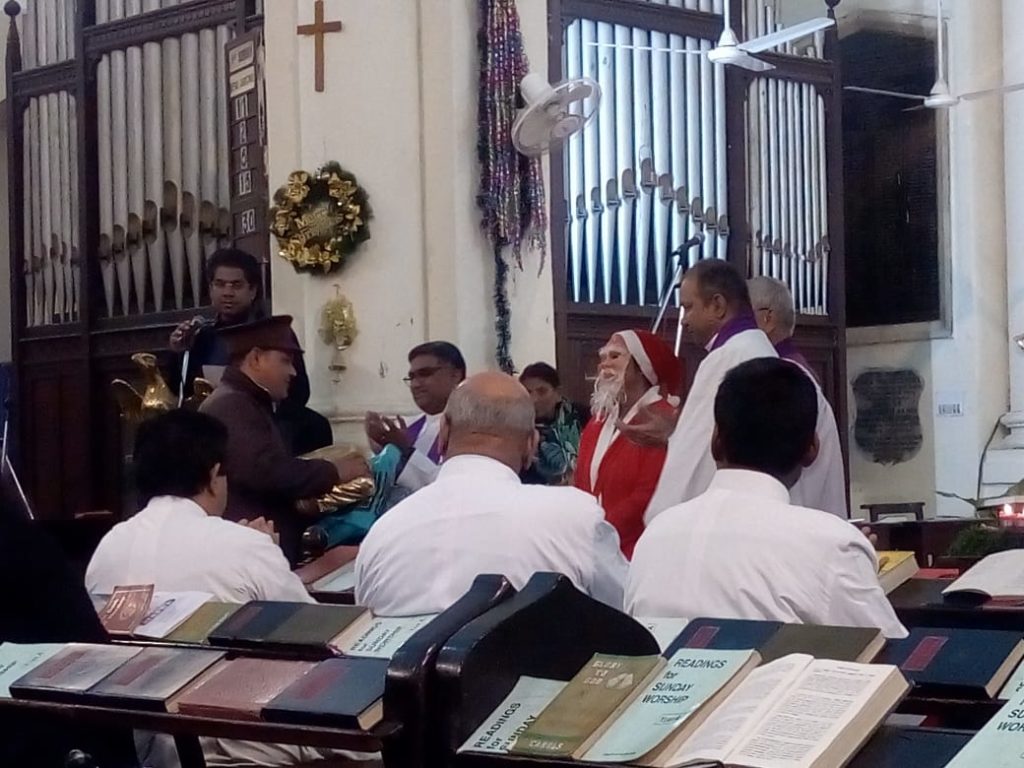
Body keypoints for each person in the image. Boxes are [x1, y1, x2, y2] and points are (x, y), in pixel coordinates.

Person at [86, 409, 372, 768]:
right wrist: (266, 553)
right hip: (222, 735)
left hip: (134, 739)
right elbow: (321, 637)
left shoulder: (109, 545)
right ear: (213, 476)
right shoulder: (242, 544)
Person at [626, 358, 906, 639]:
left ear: (715, 441)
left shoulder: (654, 536)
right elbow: (889, 651)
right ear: (812, 449)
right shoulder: (832, 546)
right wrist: (857, 572)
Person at [355, 372, 628, 616]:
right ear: (531, 444)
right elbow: (631, 613)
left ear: (444, 431)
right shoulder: (576, 518)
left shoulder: (382, 535)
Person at [199, 315, 368, 564]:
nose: (293, 372)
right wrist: (334, 470)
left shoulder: (246, 401)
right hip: (249, 552)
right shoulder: (233, 404)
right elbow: (265, 470)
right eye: (285, 361)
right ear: (256, 358)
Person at [642, 259, 777, 521]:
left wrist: (661, 520)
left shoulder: (726, 359)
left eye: (688, 307)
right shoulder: (762, 351)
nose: (683, 321)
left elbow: (696, 453)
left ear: (717, 305)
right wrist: (673, 434)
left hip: (720, 519)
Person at [168, 247, 332, 456]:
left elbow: (299, 392)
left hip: (266, 420)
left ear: (252, 291)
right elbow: (180, 390)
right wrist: (178, 352)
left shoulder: (275, 333)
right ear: (210, 289)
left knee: (314, 426)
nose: (227, 292)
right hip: (211, 423)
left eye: (236, 285)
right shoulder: (201, 336)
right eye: (220, 284)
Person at [574, 330, 681, 558]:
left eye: (615, 356)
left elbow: (648, 493)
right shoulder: (598, 420)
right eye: (602, 357)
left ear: (642, 367)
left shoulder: (661, 419)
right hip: (591, 546)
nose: (604, 365)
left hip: (636, 550)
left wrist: (602, 532)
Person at [748, 276, 848, 517]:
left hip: (795, 514)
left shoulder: (783, 379)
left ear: (767, 319)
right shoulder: (787, 372)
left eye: (743, 316)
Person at [364, 341, 466, 492]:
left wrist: (404, 451)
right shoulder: (406, 425)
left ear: (455, 375)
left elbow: (450, 487)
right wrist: (382, 453)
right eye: (411, 377)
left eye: (425, 374)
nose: (415, 384)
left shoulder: (472, 427)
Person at [518, 362, 587, 485]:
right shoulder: (516, 426)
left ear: (557, 393)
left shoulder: (583, 416)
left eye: (542, 391)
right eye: (528, 392)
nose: (534, 399)